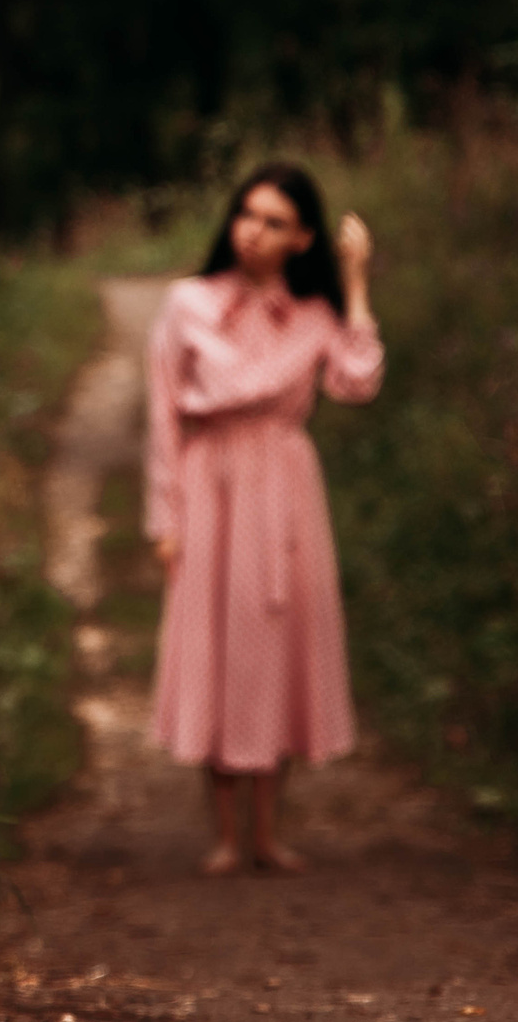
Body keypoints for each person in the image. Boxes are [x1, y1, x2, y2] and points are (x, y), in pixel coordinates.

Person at [146, 161, 382, 875]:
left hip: (283, 485)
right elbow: (163, 413)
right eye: (247, 215)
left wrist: (357, 282)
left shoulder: (313, 315)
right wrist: (165, 517)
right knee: (215, 642)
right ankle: (224, 833)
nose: (253, 232)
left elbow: (357, 379)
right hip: (208, 479)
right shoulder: (188, 302)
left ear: (302, 238)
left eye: (274, 222)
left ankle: (269, 832)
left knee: (280, 646)